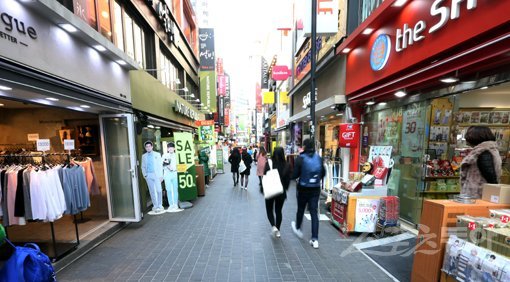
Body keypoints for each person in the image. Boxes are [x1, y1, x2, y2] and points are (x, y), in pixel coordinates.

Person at [291, 138, 325, 249]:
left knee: (300, 209)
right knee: (314, 213)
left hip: (303, 188)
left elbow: (294, 175)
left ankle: (298, 228)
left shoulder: (300, 158)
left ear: (304, 147)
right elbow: (323, 173)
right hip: (315, 189)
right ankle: (315, 239)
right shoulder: (319, 159)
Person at [460, 126, 502, 198]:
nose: (467, 141)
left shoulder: (482, 152)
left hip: (477, 194)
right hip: (479, 194)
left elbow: (491, 177)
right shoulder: (490, 150)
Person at [263, 147, 291, 238]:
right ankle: (278, 230)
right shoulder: (287, 165)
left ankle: (273, 226)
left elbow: (264, 175)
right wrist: (284, 188)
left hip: (270, 190)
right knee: (278, 211)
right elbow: (288, 180)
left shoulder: (269, 163)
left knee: (269, 210)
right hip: (281, 191)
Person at [141, 141, 164, 215]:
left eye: (149, 146)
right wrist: (145, 175)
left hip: (157, 174)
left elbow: (160, 166)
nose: (148, 148)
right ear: (145, 148)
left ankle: (160, 205)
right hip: (149, 175)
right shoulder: (144, 156)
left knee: (159, 190)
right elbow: (143, 166)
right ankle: (155, 205)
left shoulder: (157, 154)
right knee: (152, 191)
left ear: (152, 147)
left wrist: (161, 176)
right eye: (146, 147)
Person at [162, 142, 182, 213]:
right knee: (169, 190)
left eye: (172, 147)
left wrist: (173, 169)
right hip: (167, 174)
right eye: (169, 148)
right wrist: (167, 167)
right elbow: (162, 165)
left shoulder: (177, 155)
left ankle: (175, 204)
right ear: (167, 149)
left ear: (174, 148)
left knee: (175, 189)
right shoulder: (164, 155)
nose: (170, 149)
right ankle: (171, 204)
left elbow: (179, 165)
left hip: (174, 173)